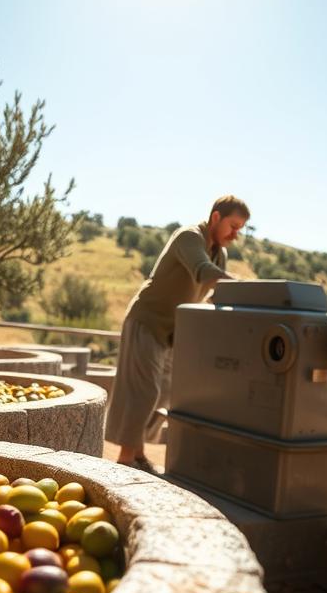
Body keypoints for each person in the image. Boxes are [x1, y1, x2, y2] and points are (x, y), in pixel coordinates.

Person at [105, 195, 251, 471]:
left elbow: (214, 293)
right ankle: (125, 460)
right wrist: (246, 286)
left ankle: (137, 452)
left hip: (172, 332)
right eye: (233, 226)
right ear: (216, 217)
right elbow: (203, 272)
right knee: (145, 391)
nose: (236, 234)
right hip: (147, 320)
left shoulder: (220, 252)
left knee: (165, 394)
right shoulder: (189, 237)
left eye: (240, 229)